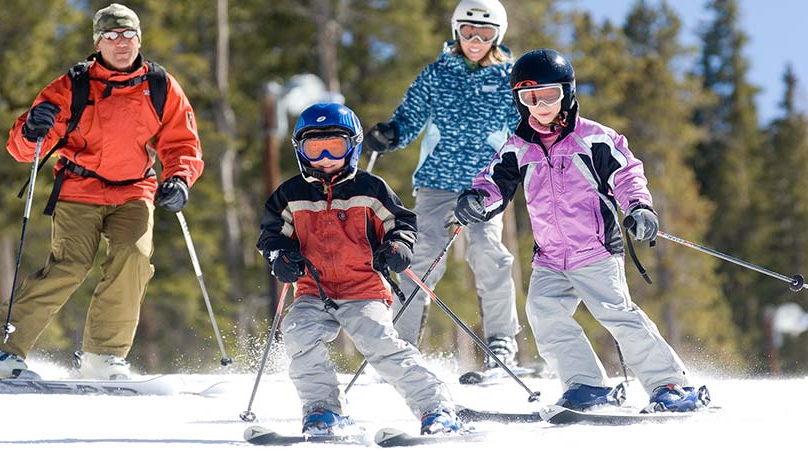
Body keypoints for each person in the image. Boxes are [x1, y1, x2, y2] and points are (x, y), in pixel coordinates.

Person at [454, 48, 708, 412]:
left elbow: (627, 173)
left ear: (567, 93)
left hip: (596, 250)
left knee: (617, 314)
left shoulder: (595, 138)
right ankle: (586, 385)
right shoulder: (518, 146)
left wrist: (638, 207)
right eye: (529, 98)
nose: (540, 105)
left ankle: (669, 384)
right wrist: (477, 199)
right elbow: (495, 183)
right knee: (543, 313)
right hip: (550, 257)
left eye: (549, 95)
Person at [0, 3, 203, 380]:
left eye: (128, 35)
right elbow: (24, 149)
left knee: (134, 259)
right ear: (98, 42)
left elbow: (182, 143)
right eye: (111, 36)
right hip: (80, 187)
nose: (120, 43)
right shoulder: (73, 85)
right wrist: (32, 128)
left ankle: (104, 358)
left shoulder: (160, 86)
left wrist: (179, 178)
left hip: (135, 189)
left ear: (139, 38)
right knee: (69, 266)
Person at [257, 103, 461, 435]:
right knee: (298, 332)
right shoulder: (289, 195)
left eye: (335, 146)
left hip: (364, 288)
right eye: (314, 147)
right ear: (300, 151)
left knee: (379, 343)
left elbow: (402, 224)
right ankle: (323, 408)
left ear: (353, 146)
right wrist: (281, 257)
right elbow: (270, 235)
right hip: (313, 290)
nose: (324, 156)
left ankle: (435, 408)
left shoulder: (370, 189)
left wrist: (398, 248)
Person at [363, 0, 522, 372]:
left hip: (485, 184)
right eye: (468, 31)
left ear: (497, 34)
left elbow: (524, 126)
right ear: (456, 31)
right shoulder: (438, 74)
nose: (475, 40)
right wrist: (392, 133)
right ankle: (400, 343)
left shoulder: (507, 77)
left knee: (489, 253)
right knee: (420, 257)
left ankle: (501, 339)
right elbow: (410, 116)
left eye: (484, 33)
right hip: (436, 181)